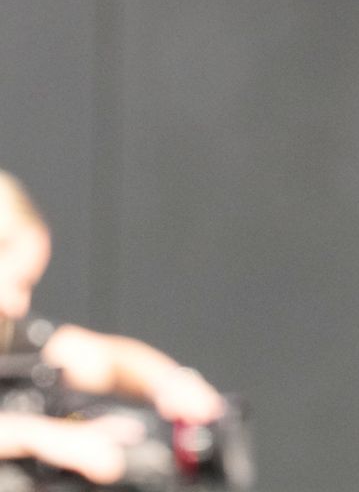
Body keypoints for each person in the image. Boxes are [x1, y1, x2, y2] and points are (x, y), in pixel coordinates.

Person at [0, 169, 226, 485]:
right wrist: (40, 436)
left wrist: (171, 383)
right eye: (17, 283)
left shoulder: (10, 333)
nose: (17, 305)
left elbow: (102, 359)